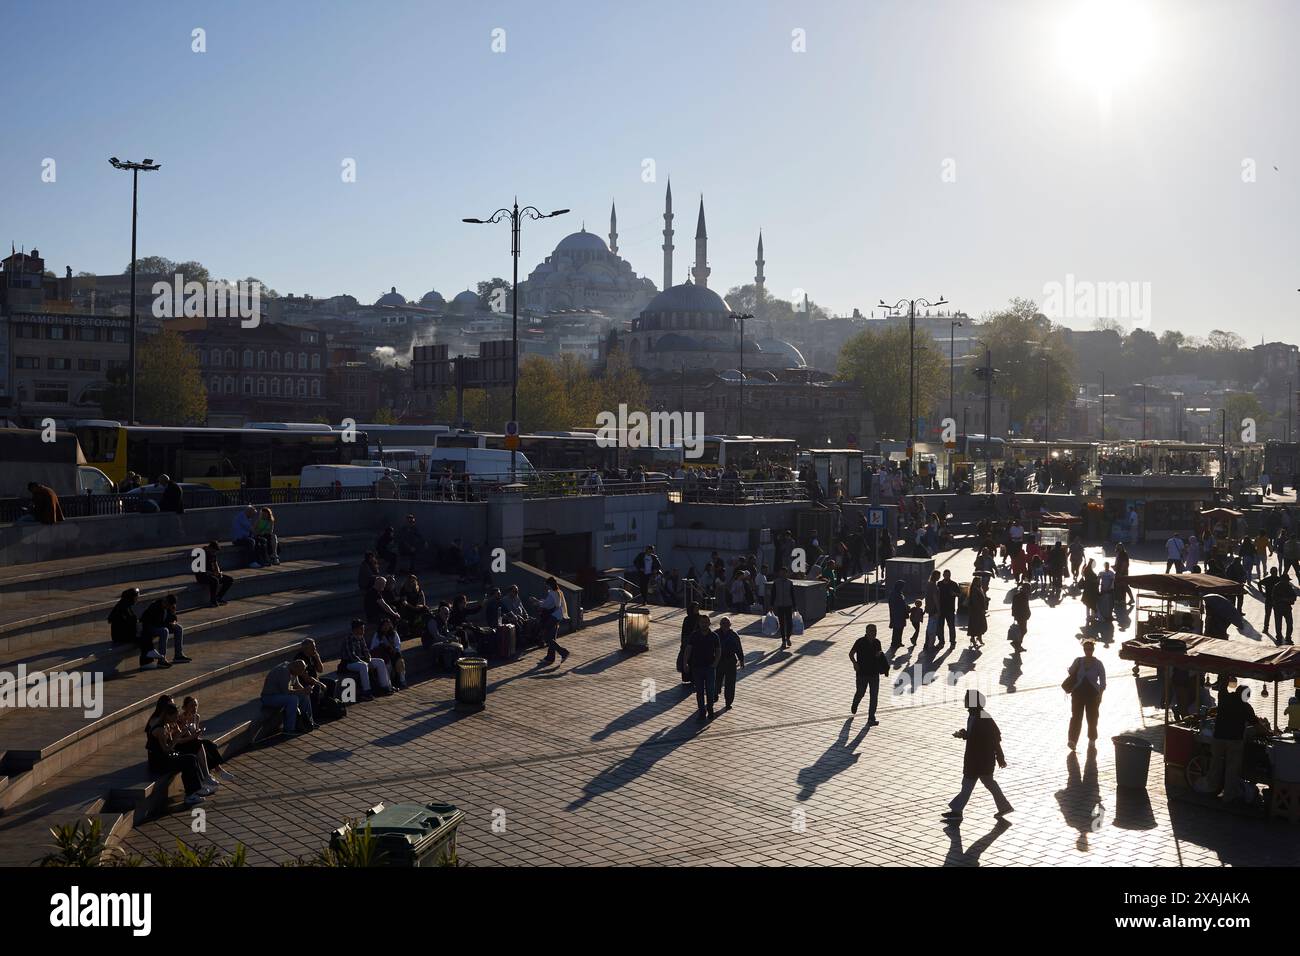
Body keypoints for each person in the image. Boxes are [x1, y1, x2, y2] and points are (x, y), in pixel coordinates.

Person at [942, 691, 1013, 822]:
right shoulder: (974, 715)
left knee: (971, 784)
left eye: (967, 699)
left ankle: (957, 811)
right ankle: (1004, 807)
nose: (965, 701)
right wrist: (964, 734)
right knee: (984, 783)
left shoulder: (983, 717)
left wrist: (1000, 757)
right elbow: (976, 735)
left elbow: (994, 738)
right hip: (976, 759)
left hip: (980, 759)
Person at [146, 700, 211, 805]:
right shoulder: (160, 730)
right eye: (175, 717)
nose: (176, 719)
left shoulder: (166, 726)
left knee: (190, 757)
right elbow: (166, 749)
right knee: (189, 760)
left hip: (165, 757)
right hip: (158, 762)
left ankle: (194, 790)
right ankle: (191, 794)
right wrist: (177, 737)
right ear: (167, 716)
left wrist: (179, 734)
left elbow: (170, 744)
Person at [1209, 684, 1261, 803]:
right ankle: (1228, 795)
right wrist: (1269, 733)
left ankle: (1211, 789)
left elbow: (1222, 685)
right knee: (1232, 769)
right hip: (1234, 740)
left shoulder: (1224, 697)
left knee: (1215, 764)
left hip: (1218, 737)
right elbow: (1257, 725)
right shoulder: (1246, 707)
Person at [178, 696, 235, 782]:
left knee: (209, 744)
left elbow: (195, 734)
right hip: (185, 743)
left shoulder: (196, 717)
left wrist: (198, 732)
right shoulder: (182, 718)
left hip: (193, 740)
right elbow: (184, 735)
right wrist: (195, 735)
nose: (194, 708)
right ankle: (215, 772)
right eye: (191, 706)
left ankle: (218, 770)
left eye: (196, 705)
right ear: (185, 708)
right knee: (206, 745)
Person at [109, 587, 164, 669]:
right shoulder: (122, 607)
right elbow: (126, 623)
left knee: (145, 633)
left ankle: (148, 658)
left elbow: (131, 621)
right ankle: (146, 661)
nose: (137, 599)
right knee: (144, 635)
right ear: (131, 597)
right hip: (120, 636)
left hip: (125, 632)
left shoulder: (126, 605)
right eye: (136, 597)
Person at [1065, 640, 1106, 751]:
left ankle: (1092, 739)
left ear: (1093, 650)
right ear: (1083, 649)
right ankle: (1072, 740)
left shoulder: (1098, 664)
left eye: (1090, 649)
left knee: (1092, 718)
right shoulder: (1078, 661)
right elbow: (1071, 671)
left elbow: (1103, 682)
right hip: (1078, 693)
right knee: (1076, 717)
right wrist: (1072, 668)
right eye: (1086, 649)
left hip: (1092, 695)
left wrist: (1100, 695)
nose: (1088, 651)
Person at [338, 618, 391, 699]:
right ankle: (366, 692)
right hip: (349, 663)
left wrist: (369, 660)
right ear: (355, 629)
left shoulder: (361, 637)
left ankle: (385, 687)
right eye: (361, 628)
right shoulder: (349, 639)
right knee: (363, 666)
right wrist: (366, 663)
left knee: (380, 661)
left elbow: (366, 651)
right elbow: (352, 656)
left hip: (361, 661)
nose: (363, 630)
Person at [260, 659, 316, 735]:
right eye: (300, 671)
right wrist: (303, 691)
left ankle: (309, 722)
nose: (301, 673)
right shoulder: (284, 671)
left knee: (304, 696)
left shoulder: (293, 670)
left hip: (280, 695)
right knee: (292, 699)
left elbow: (297, 685)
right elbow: (286, 692)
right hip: (269, 697)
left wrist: (306, 690)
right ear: (295, 667)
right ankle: (289, 729)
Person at [849, 624, 886, 725]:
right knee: (861, 692)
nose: (873, 633)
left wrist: (879, 656)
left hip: (874, 673)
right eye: (871, 631)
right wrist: (855, 663)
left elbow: (879, 654)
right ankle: (855, 703)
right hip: (862, 673)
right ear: (866, 631)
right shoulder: (860, 642)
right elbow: (851, 653)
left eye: (875, 631)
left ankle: (871, 718)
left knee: (874, 696)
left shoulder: (877, 642)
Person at [685, 614, 721, 722]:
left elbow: (718, 650)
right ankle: (702, 712)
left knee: (710, 690)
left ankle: (710, 709)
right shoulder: (694, 635)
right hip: (697, 667)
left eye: (706, 622)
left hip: (710, 667)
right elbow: (688, 649)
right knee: (699, 691)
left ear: (709, 623)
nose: (704, 624)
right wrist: (685, 663)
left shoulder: (714, 636)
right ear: (699, 624)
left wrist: (715, 663)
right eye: (702, 622)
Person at [141, 593, 190, 664]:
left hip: (161, 625)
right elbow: (157, 623)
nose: (167, 607)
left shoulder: (169, 607)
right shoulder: (155, 606)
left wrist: (173, 619)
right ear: (165, 601)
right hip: (150, 627)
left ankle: (178, 655)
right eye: (166, 605)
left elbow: (174, 619)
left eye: (169, 606)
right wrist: (169, 624)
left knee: (179, 628)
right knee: (164, 631)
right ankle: (162, 659)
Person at [534, 577, 571, 664]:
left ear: (550, 584)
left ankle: (563, 652)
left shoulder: (552, 593)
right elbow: (552, 603)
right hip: (558, 616)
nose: (546, 586)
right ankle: (550, 658)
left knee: (547, 637)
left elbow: (547, 605)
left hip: (553, 616)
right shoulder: (559, 592)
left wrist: (536, 601)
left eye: (547, 584)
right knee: (552, 637)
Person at [714, 617, 745, 710]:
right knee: (716, 680)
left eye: (727, 624)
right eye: (723, 624)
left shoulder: (734, 635)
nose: (725, 626)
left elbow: (739, 649)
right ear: (720, 625)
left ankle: (728, 701)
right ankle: (715, 693)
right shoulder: (715, 634)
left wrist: (741, 659)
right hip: (718, 662)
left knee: (730, 683)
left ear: (730, 625)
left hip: (730, 661)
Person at [371, 617, 407, 691]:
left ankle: (402, 680)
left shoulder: (394, 633)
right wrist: (383, 644)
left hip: (393, 652)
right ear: (381, 626)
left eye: (388, 625)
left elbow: (398, 644)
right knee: (388, 664)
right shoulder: (377, 634)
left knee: (400, 660)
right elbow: (373, 647)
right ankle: (388, 683)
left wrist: (394, 649)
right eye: (384, 625)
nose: (386, 627)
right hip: (383, 654)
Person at [195, 541, 233, 607]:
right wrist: (213, 573)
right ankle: (213, 601)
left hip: (211, 574)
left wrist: (219, 572)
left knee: (229, 579)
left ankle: (219, 597)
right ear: (210, 548)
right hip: (201, 576)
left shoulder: (212, 553)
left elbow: (215, 564)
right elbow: (199, 570)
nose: (214, 553)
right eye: (213, 551)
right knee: (215, 580)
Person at [771, 566, 795, 650]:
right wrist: (771, 605)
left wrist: (795, 606)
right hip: (779, 605)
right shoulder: (776, 582)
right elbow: (773, 594)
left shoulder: (790, 583)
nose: (783, 574)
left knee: (789, 623)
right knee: (781, 623)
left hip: (788, 605)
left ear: (786, 573)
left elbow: (792, 595)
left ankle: (788, 637)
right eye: (781, 573)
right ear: (779, 573)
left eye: (784, 573)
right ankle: (783, 641)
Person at [937, 569, 960, 647]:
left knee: (951, 626)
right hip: (941, 609)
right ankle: (941, 641)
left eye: (949, 575)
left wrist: (954, 593)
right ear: (943, 575)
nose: (947, 576)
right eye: (946, 575)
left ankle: (952, 642)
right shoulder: (939, 584)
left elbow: (959, 594)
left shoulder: (954, 584)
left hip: (950, 609)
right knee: (940, 626)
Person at [1271, 573, 1295, 644]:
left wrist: (1288, 600)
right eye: (1287, 580)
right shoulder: (1277, 587)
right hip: (1280, 607)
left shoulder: (1288, 586)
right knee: (1281, 624)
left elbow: (1294, 597)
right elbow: (1274, 597)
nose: (1287, 581)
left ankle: (1287, 638)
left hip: (1284, 607)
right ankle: (1280, 637)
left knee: (1288, 624)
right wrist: (1285, 599)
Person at [966, 575, 988, 648]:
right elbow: (975, 601)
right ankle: (976, 638)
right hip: (976, 611)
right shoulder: (975, 590)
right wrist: (980, 609)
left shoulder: (978, 588)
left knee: (977, 625)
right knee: (978, 625)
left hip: (977, 611)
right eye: (979, 581)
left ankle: (976, 638)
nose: (980, 582)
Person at [1011, 575, 1031, 651]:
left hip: (1020, 615)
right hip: (1022, 616)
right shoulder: (1023, 596)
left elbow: (1013, 606)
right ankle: (1017, 644)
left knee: (1021, 630)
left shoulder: (1017, 595)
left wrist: (1014, 615)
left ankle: (1017, 644)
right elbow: (1025, 607)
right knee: (1023, 630)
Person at [887, 580, 908, 653]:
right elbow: (893, 605)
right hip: (896, 614)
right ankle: (894, 643)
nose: (903, 588)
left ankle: (898, 642)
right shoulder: (894, 594)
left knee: (900, 628)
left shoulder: (899, 593)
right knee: (897, 628)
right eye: (902, 586)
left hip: (901, 614)